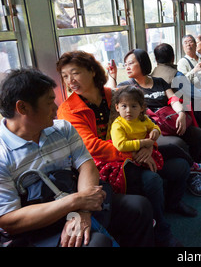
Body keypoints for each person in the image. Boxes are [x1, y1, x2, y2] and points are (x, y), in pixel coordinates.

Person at [0, 68, 155, 247]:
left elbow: (86, 165)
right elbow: (9, 220)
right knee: (97, 243)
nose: (56, 108)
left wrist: (83, 209)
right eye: (50, 102)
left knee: (139, 207)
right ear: (23, 107)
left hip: (78, 199)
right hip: (39, 224)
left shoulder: (62, 129)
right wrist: (74, 202)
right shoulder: (3, 154)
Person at [56, 51, 193, 247]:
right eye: (65, 76)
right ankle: (162, 233)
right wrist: (136, 151)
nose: (70, 81)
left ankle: (173, 203)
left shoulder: (114, 95)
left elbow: (145, 121)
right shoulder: (69, 110)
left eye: (75, 73)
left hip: (134, 150)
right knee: (152, 179)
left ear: (92, 71)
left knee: (180, 165)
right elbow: (92, 147)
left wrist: (149, 145)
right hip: (103, 164)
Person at [118, 48, 201, 188]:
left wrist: (181, 114)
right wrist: (112, 77)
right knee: (177, 143)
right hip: (151, 128)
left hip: (169, 120)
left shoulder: (159, 81)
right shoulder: (127, 86)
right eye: (125, 64)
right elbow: (113, 99)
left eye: (130, 63)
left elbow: (172, 99)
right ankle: (192, 172)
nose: (127, 67)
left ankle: (194, 168)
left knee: (199, 134)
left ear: (142, 63)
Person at [110, 86, 163, 169]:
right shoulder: (118, 125)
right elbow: (121, 145)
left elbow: (154, 126)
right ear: (117, 108)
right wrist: (144, 143)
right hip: (127, 157)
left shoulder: (143, 119)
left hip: (145, 152)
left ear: (141, 108)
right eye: (124, 106)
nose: (128, 110)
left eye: (133, 106)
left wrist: (155, 131)